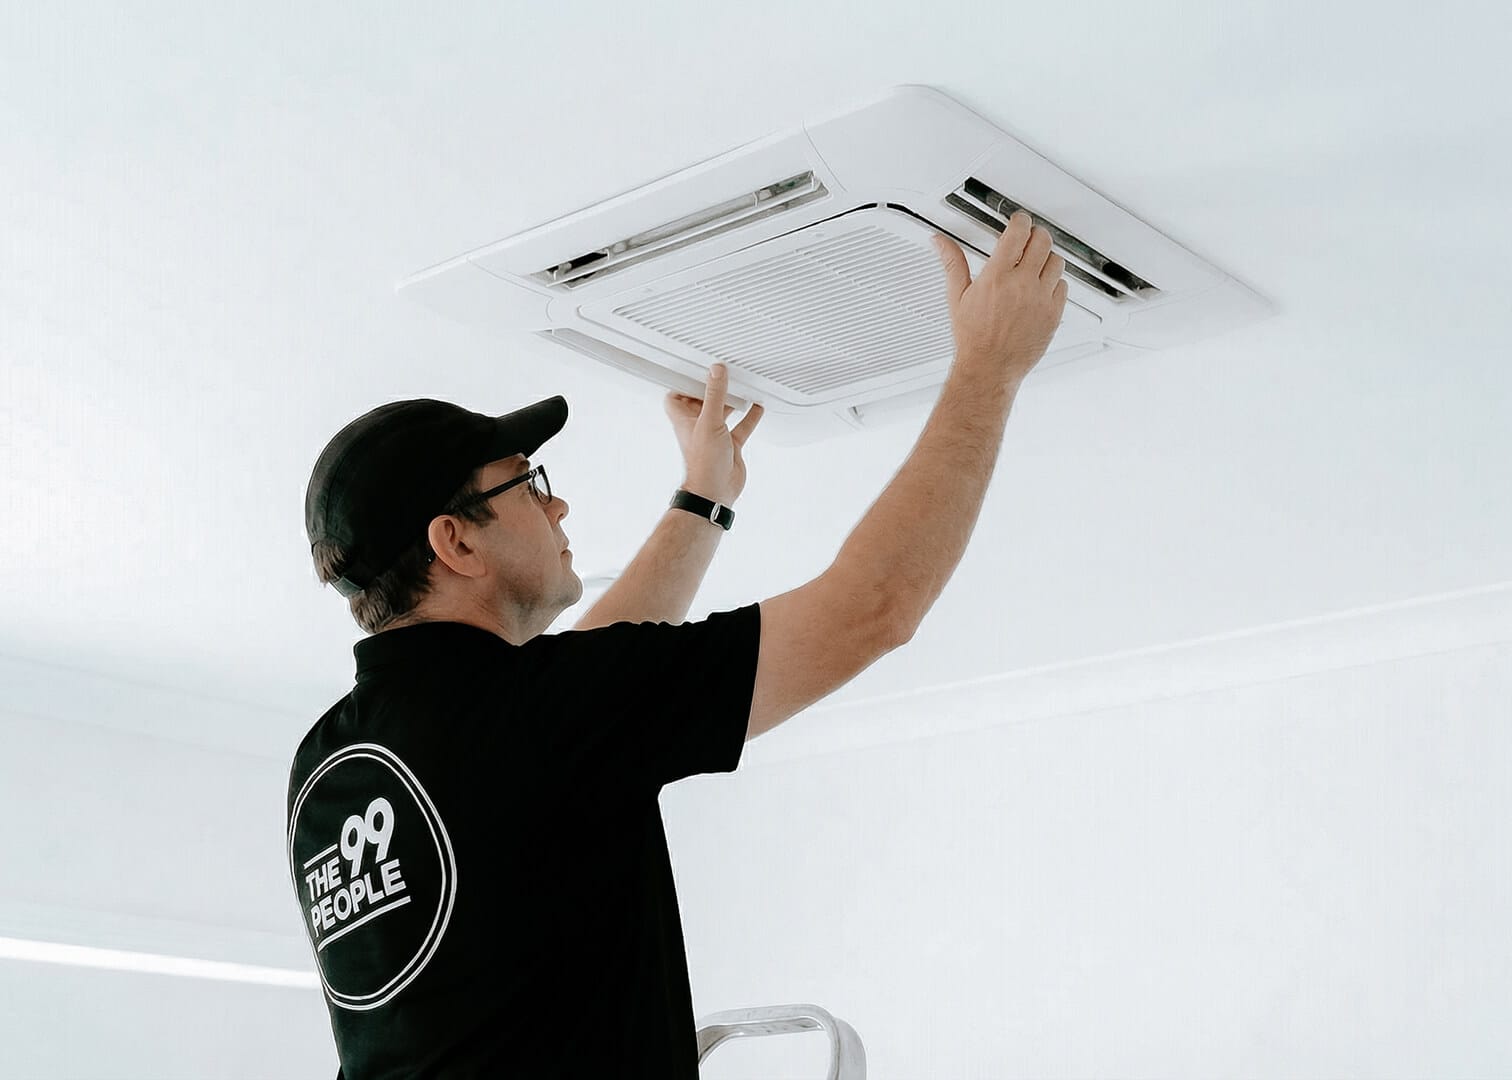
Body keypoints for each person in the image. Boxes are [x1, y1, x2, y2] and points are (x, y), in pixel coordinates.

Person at [288, 211, 1068, 1079]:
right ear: (456, 541)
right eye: (527, 484)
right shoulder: (536, 719)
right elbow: (873, 608)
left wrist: (703, 500)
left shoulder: (330, 764)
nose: (556, 505)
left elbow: (570, 704)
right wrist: (989, 367)